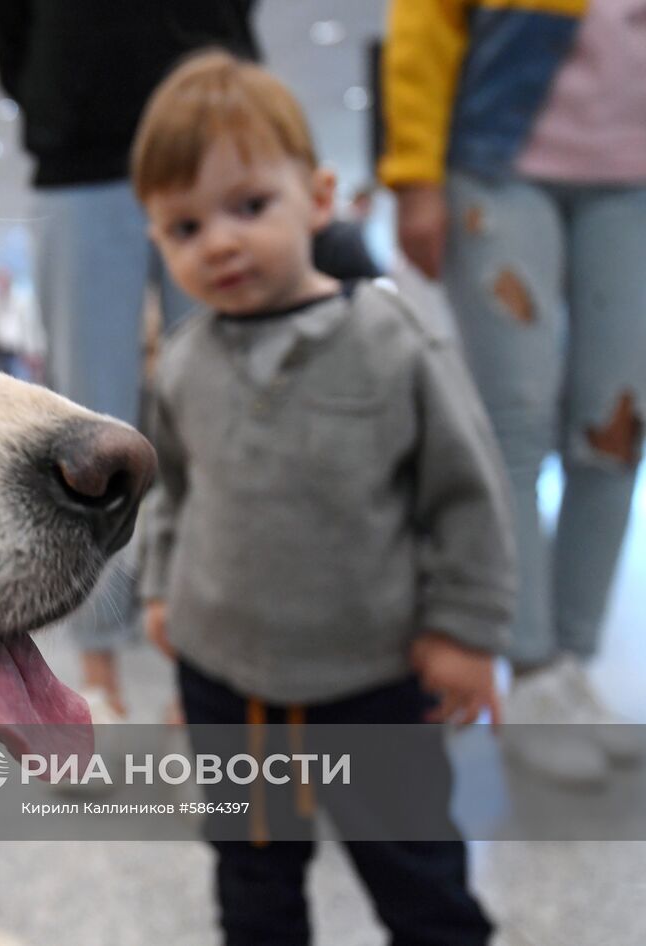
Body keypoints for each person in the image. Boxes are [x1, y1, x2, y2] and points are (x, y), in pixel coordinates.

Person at [135, 51, 514, 944]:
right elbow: (174, 491)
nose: (219, 241)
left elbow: (464, 493)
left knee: (418, 873)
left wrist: (466, 629)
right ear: (157, 242)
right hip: (225, 677)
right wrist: (162, 589)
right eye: (184, 227)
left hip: (373, 675)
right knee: (254, 879)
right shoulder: (184, 362)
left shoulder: (391, 337)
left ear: (318, 195)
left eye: (249, 206)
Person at [381, 0, 646, 782]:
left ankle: (572, 660)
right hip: (499, 162)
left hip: (632, 178)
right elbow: (422, 26)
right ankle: (527, 671)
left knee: (618, 427)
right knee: (515, 423)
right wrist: (414, 177)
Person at [0, 1, 259, 718]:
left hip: (210, 141)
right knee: (87, 419)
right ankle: (98, 666)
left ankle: (210, 669)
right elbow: (9, 36)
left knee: (222, 418)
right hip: (81, 147)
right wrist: (62, 96)